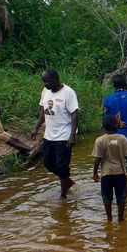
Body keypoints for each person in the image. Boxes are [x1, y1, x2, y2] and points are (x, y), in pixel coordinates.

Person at [31, 69, 79, 199]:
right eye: (43, 82)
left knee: (62, 165)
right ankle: (67, 181)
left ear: (55, 79)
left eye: (47, 81)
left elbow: (74, 114)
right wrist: (36, 128)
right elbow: (43, 110)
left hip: (64, 135)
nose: (44, 84)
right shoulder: (45, 91)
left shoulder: (68, 93)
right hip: (49, 135)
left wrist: (72, 135)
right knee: (47, 162)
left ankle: (63, 196)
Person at [92, 115, 127, 222]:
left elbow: (97, 159)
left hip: (106, 174)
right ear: (117, 125)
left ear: (103, 127)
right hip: (120, 172)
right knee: (121, 196)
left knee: (106, 197)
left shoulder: (99, 141)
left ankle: (109, 219)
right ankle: (121, 219)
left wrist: (95, 173)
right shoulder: (122, 139)